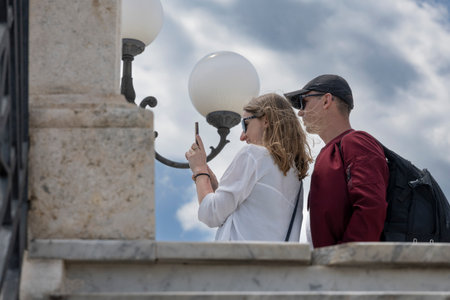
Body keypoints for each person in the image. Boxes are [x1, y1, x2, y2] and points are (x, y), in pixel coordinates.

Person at [185, 93, 313, 241]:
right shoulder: (295, 177)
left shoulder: (253, 154)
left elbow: (211, 214)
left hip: (238, 262)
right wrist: (212, 183)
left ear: (266, 120)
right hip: (274, 262)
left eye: (245, 124)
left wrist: (200, 170)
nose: (242, 136)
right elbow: (252, 216)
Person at [284, 74, 389, 248]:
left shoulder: (356, 142)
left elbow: (371, 206)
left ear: (326, 100)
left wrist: (345, 259)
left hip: (345, 269)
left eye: (304, 102)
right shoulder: (336, 149)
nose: (300, 112)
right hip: (330, 267)